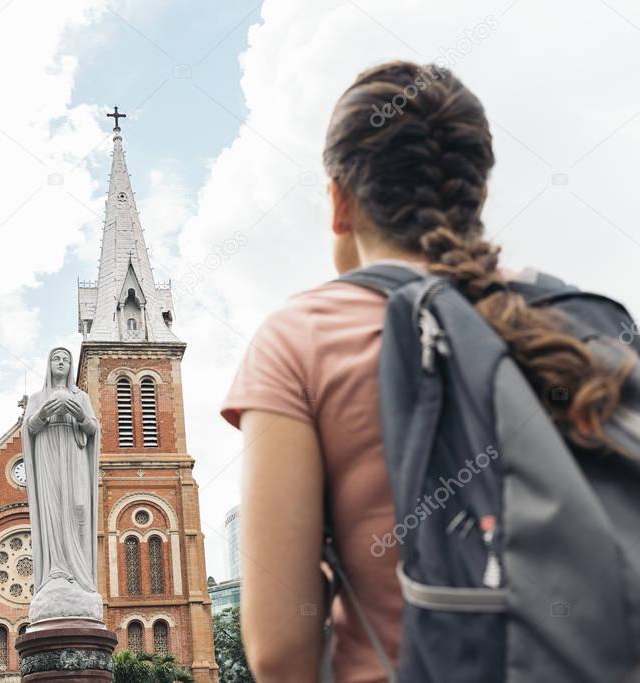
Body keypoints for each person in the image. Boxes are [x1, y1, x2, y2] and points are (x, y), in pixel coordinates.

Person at [220, 61, 636, 682]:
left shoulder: (300, 336)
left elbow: (280, 654)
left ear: (340, 200)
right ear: (479, 196)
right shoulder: (579, 319)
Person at [22, 346, 102, 621]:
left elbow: (93, 429)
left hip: (75, 457)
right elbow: (29, 429)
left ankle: (79, 577)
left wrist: (79, 415)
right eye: (55, 358)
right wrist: (43, 413)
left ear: (71, 367)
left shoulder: (82, 397)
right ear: (48, 364)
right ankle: (56, 570)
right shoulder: (36, 398)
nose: (61, 362)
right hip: (48, 457)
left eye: (66, 359)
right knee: (53, 513)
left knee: (78, 508)